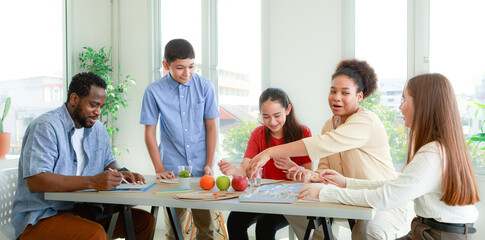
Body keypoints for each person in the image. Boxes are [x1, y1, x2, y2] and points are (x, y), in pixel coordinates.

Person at [248, 59, 414, 239]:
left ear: (359, 96)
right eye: (333, 91)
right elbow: (323, 171)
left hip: (382, 200)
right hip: (344, 197)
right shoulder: (330, 124)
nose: (336, 97)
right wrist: (306, 174)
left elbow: (323, 143)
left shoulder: (366, 121)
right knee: (295, 204)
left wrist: (269, 152)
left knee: (367, 232)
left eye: (345, 92)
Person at [300, 73, 480, 240]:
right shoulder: (437, 149)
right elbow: (394, 185)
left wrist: (327, 193)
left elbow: (385, 198)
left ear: (423, 103)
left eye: (404, 99)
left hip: (438, 235)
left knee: (368, 231)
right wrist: (347, 182)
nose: (400, 107)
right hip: (430, 231)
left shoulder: (432, 155)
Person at [12, 72, 155, 240]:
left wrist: (122, 172)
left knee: (143, 222)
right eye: (93, 105)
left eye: (101, 106)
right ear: (74, 99)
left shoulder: (97, 129)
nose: (98, 112)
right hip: (42, 217)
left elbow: (108, 162)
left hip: (83, 210)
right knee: (95, 234)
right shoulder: (46, 127)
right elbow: (37, 181)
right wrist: (93, 181)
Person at [140, 38, 219, 239]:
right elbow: (149, 133)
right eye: (180, 68)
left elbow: (211, 127)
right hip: (172, 171)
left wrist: (209, 164)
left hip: (203, 170)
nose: (187, 73)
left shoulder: (205, 87)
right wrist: (159, 168)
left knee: (207, 228)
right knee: (174, 230)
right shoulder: (153, 91)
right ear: (166, 66)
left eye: (191, 66)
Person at [218, 88, 313, 240]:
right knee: (234, 221)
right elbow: (247, 169)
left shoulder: (303, 133)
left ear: (287, 110)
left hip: (290, 198)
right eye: (266, 117)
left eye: (277, 115)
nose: (272, 122)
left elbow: (309, 174)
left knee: (265, 226)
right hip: (264, 196)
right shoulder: (258, 134)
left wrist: (291, 166)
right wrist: (233, 170)